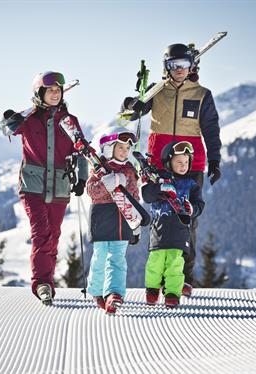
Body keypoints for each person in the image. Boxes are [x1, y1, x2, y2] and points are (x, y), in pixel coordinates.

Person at [122, 43, 221, 295]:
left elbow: (210, 129)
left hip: (191, 163)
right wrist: (133, 102)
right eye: (174, 65)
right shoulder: (157, 91)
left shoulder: (201, 94)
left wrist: (215, 160)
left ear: (192, 67)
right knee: (161, 217)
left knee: (187, 219)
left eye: (184, 65)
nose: (179, 70)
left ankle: (183, 278)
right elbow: (129, 115)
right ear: (166, 67)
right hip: (158, 163)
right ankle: (159, 277)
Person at [0, 71, 88, 305]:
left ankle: (47, 282)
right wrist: (10, 119)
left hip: (59, 186)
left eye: (58, 90)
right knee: (42, 233)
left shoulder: (69, 121)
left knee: (54, 236)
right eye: (50, 90)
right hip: (33, 185)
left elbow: (81, 150)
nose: (55, 94)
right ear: (40, 93)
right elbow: (7, 128)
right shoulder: (28, 119)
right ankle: (41, 284)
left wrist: (82, 178)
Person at [141, 141, 205, 307]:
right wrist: (159, 189)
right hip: (159, 229)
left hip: (180, 230)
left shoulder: (191, 185)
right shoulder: (159, 179)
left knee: (175, 264)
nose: (183, 166)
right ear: (169, 162)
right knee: (156, 261)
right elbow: (146, 195)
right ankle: (152, 290)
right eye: (179, 162)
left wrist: (192, 209)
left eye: (186, 162)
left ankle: (172, 293)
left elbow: (200, 204)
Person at [85, 127, 140, 314]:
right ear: (109, 148)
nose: (125, 152)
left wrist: (136, 223)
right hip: (102, 217)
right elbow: (91, 191)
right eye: (120, 148)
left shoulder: (130, 170)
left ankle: (114, 293)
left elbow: (135, 197)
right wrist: (107, 183)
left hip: (123, 219)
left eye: (127, 149)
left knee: (117, 258)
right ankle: (97, 291)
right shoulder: (99, 168)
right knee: (100, 256)